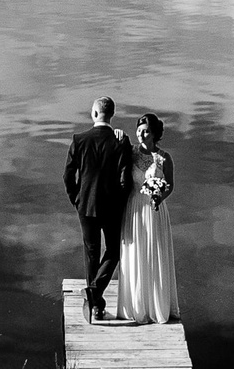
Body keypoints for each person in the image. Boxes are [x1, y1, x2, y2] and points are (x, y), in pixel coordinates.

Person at [63, 95, 132, 322]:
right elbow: (125, 181)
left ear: (94, 114)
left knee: (91, 253)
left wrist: (76, 199)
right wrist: (120, 204)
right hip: (112, 207)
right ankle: (95, 299)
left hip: (86, 205)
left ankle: (94, 300)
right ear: (112, 115)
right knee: (114, 251)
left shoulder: (79, 139)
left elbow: (68, 175)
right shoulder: (120, 141)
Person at [118, 113, 178, 323]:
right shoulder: (131, 153)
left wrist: (159, 196)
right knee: (135, 253)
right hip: (134, 208)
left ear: (154, 134)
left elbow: (169, 185)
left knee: (154, 253)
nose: (141, 135)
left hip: (155, 210)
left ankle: (156, 305)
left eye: (146, 132)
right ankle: (136, 306)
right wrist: (117, 134)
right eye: (139, 131)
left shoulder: (164, 158)